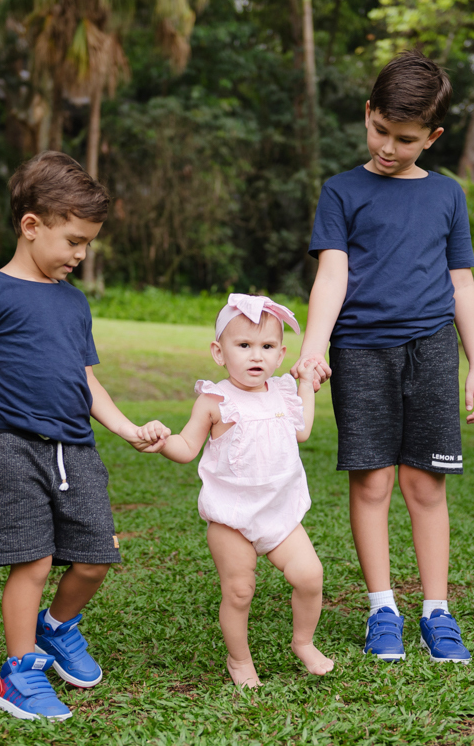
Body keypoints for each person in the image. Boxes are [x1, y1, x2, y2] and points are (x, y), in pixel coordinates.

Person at [0, 151, 170, 721]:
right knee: (35, 562)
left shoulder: (74, 302)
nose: (81, 254)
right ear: (31, 225)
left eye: (88, 242)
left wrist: (124, 427)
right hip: (10, 448)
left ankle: (56, 628)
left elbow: (84, 379)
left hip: (77, 452)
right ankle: (18, 672)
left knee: (96, 559)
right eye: (73, 240)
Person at [290, 50, 474, 664]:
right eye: (380, 131)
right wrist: (314, 347)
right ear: (369, 113)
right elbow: (332, 276)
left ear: (431, 137)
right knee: (372, 479)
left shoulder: (447, 197)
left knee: (426, 483)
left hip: (431, 349)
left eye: (405, 140)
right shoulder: (342, 191)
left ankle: (437, 610)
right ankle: (383, 607)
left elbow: (461, 284)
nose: (388, 147)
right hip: (360, 350)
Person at [158, 294, 334, 688]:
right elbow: (186, 449)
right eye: (244, 346)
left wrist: (305, 383)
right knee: (239, 590)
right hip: (230, 516)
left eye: (267, 347)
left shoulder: (282, 393)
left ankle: (303, 642)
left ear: (280, 353)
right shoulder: (215, 400)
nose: (257, 356)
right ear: (219, 353)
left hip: (279, 513)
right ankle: (239, 659)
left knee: (310, 576)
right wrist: (159, 440)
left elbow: (302, 430)